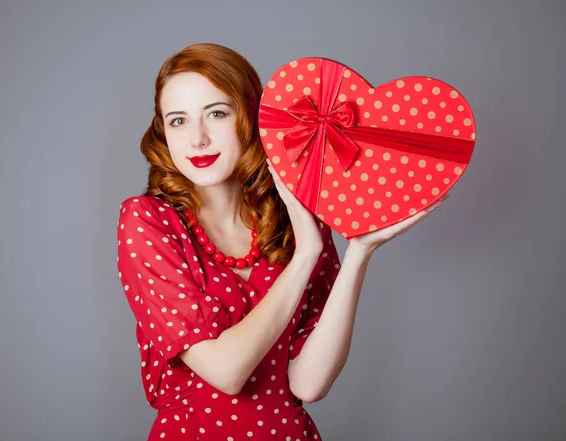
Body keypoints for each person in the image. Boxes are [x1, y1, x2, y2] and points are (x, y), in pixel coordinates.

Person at [116, 42, 448, 441]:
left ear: (251, 116)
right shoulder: (148, 222)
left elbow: (309, 383)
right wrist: (306, 256)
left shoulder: (297, 221)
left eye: (217, 114)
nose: (198, 139)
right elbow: (226, 372)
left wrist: (360, 251)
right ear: (163, 132)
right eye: (178, 121)